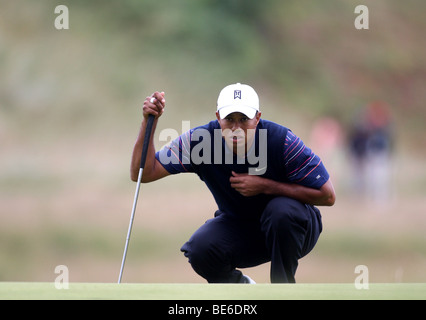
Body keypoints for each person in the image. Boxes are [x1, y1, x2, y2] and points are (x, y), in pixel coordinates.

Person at [130, 83, 336, 283]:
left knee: (280, 210)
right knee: (200, 249)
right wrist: (150, 122)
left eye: (243, 119)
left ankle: (282, 291)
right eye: (229, 119)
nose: (236, 127)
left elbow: (327, 195)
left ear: (257, 118)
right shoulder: (201, 141)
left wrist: (266, 186)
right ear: (218, 117)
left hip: (296, 228)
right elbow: (145, 172)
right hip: (244, 229)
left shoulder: (282, 142)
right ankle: (243, 289)